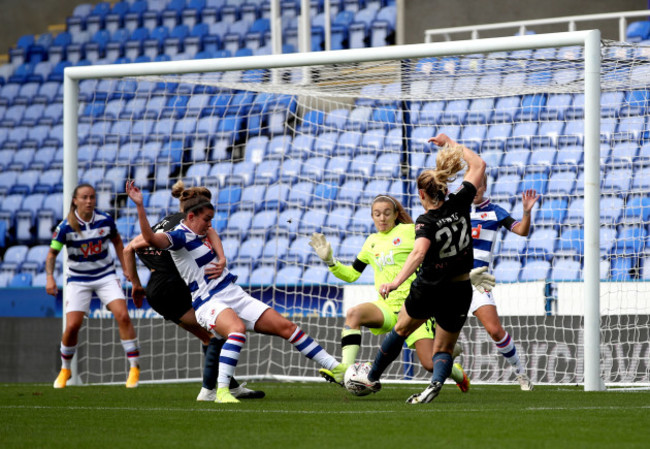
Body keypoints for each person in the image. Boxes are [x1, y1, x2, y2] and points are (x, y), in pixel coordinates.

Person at [125, 180, 346, 403]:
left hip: (232, 293)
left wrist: (222, 258)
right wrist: (140, 206)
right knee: (235, 330)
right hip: (207, 301)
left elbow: (211, 233)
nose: (209, 224)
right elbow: (151, 239)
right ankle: (221, 391)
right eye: (206, 219)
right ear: (190, 217)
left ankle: (335, 368)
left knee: (286, 327)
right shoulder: (178, 236)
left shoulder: (201, 229)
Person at [351, 133, 487, 404]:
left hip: (431, 286)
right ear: (445, 190)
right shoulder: (460, 200)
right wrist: (452, 144)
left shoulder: (426, 220)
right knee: (444, 347)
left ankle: (373, 375)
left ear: (422, 194)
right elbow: (479, 165)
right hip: (461, 287)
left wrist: (396, 283)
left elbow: (419, 252)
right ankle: (435, 382)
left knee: (401, 329)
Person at [309, 193, 489, 392]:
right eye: (377, 214)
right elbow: (352, 275)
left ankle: (457, 373)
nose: (382, 218)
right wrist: (330, 262)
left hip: (416, 307)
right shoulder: (371, 242)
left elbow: (441, 252)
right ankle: (344, 371)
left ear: (396, 214)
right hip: (386, 307)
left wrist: (466, 274)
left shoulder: (411, 231)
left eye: (387, 213)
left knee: (430, 364)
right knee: (354, 313)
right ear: (372, 217)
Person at [123, 181, 265, 401]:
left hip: (157, 290)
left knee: (209, 336)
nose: (208, 220)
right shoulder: (187, 227)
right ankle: (214, 390)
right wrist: (221, 258)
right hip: (173, 287)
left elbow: (128, 248)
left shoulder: (166, 222)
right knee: (215, 334)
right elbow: (211, 232)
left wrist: (136, 284)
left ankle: (226, 386)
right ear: (195, 209)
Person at [46, 183, 140, 389]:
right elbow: (52, 253)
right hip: (78, 279)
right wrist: (50, 278)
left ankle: (134, 368)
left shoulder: (105, 220)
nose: (89, 201)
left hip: (105, 275)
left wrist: (125, 267)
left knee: (123, 315)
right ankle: (65, 369)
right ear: (75, 200)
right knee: (72, 326)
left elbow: (117, 242)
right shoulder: (65, 227)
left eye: (92, 197)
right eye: (85, 197)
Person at [470, 174, 539, 390]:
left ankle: (520, 372)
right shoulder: (454, 209)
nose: (476, 189)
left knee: (495, 331)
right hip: (451, 281)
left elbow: (522, 230)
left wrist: (526, 212)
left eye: (480, 185)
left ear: (485, 186)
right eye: (472, 184)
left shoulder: (496, 211)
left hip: (477, 281)